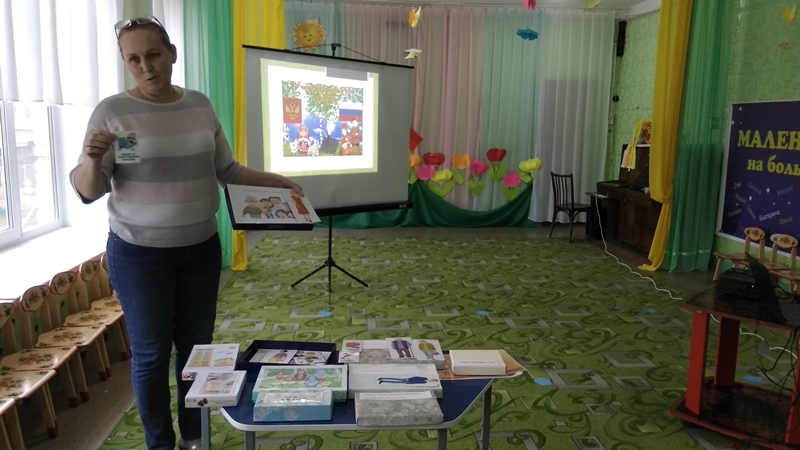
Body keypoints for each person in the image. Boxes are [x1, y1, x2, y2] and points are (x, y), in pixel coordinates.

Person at [69, 16, 303, 450]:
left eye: (153, 55)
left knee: (197, 349)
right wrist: (91, 158)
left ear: (172, 53)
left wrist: (276, 181)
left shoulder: (198, 103)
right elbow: (89, 190)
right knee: (152, 353)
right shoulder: (113, 112)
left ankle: (195, 435)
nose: (145, 67)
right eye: (133, 59)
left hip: (200, 249)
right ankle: (161, 443)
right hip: (139, 254)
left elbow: (226, 169)